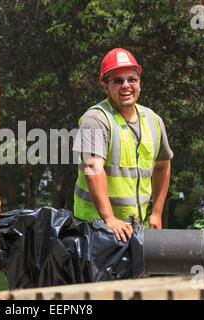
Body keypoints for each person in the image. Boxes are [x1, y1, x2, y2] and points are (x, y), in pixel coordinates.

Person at [73, 48, 173, 242]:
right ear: (105, 86)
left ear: (139, 83)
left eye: (131, 79)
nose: (126, 86)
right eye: (117, 81)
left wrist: (157, 213)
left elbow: (162, 166)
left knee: (134, 274)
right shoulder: (95, 119)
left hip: (134, 229)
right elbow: (93, 170)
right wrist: (110, 219)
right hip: (94, 230)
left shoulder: (153, 120)